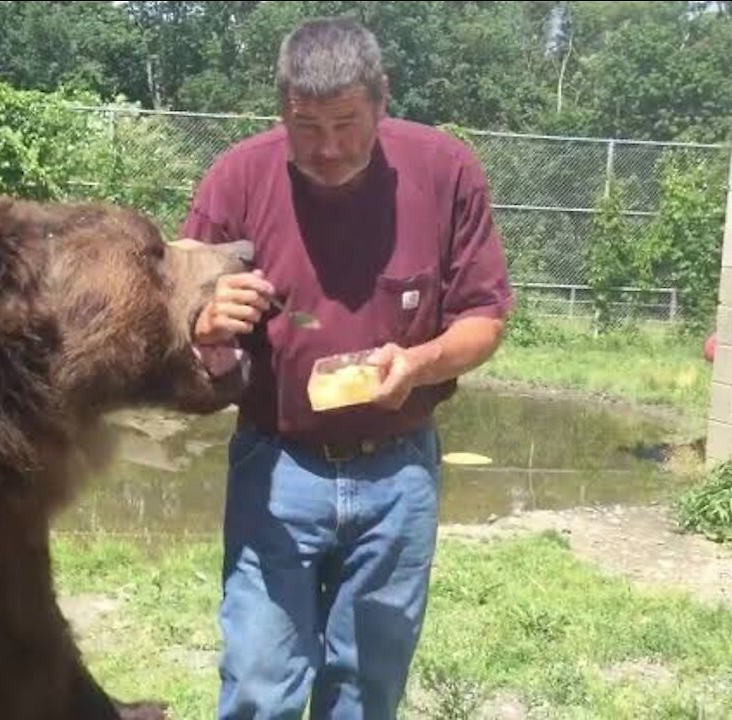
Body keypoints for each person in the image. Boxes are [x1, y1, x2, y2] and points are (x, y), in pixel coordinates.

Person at [180, 16, 514, 720]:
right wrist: (202, 320)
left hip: (398, 475)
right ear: (282, 109)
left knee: (366, 692)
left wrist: (418, 364)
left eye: (346, 124)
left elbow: (484, 320)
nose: (327, 149)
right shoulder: (238, 178)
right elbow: (179, 308)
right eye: (307, 127)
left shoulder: (445, 172)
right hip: (276, 466)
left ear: (382, 98)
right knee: (257, 684)